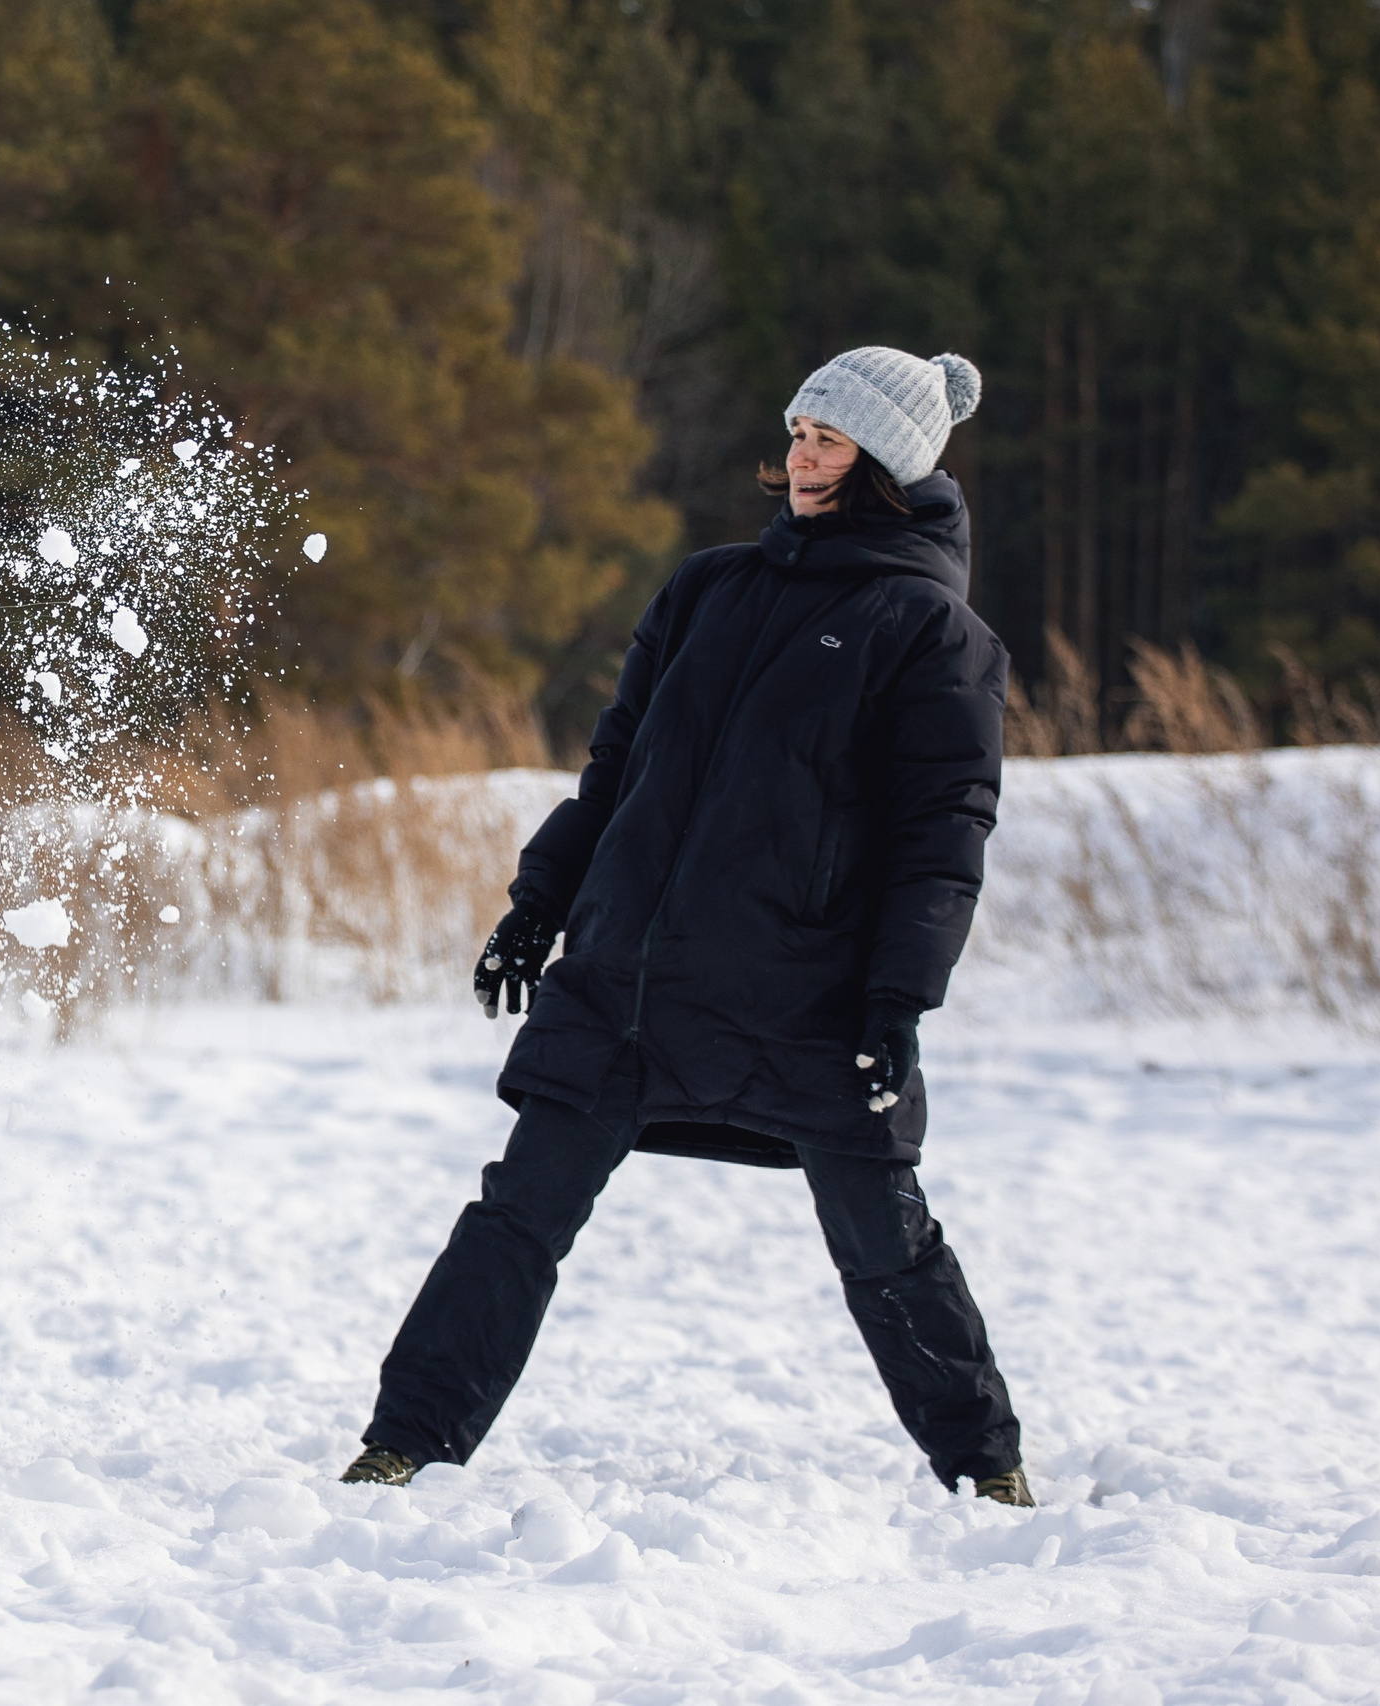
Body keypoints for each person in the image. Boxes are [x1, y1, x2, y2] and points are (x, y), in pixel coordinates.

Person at [342, 346, 1033, 1506]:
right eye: (798, 430)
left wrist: (894, 1000)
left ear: (886, 461)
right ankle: (403, 1443)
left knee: (886, 1243)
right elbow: (617, 772)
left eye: (829, 438)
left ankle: (987, 1465)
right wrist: (536, 908)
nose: (801, 456)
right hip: (628, 981)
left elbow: (941, 834)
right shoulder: (709, 589)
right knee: (516, 1214)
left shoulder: (930, 631)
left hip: (807, 997)